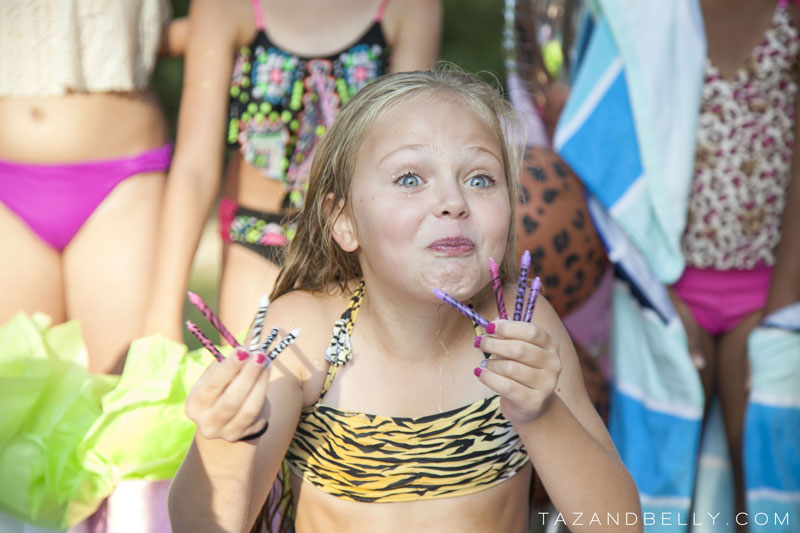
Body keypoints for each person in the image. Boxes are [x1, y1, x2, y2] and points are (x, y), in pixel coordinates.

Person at [167, 69, 642, 533]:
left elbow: (619, 523)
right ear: (344, 221)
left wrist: (541, 414)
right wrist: (225, 439)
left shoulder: (521, 323)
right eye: (411, 178)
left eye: (479, 179)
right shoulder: (305, 333)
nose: (454, 201)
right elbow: (202, 525)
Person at [144, 0, 442, 344]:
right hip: (259, 236)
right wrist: (162, 310)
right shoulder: (223, 6)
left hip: (361, 241)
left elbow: (409, 152)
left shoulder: (410, 7)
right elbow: (195, 166)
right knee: (255, 382)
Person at [668, 0, 800, 527]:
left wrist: (783, 307)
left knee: (763, 479)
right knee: (664, 473)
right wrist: (658, 298)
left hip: (768, 292)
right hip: (669, 291)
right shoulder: (652, 16)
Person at [0, 0, 184, 374]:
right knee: (15, 404)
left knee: (124, 397)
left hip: (121, 184)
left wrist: (131, 41)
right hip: (7, 188)